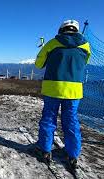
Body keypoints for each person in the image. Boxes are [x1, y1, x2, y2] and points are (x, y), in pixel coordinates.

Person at [34, 20, 91, 170]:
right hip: (74, 90)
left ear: (61, 30)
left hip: (53, 88)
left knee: (49, 118)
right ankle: (72, 154)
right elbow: (85, 62)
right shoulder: (85, 45)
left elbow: (38, 64)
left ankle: (45, 149)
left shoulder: (52, 43)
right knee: (71, 120)